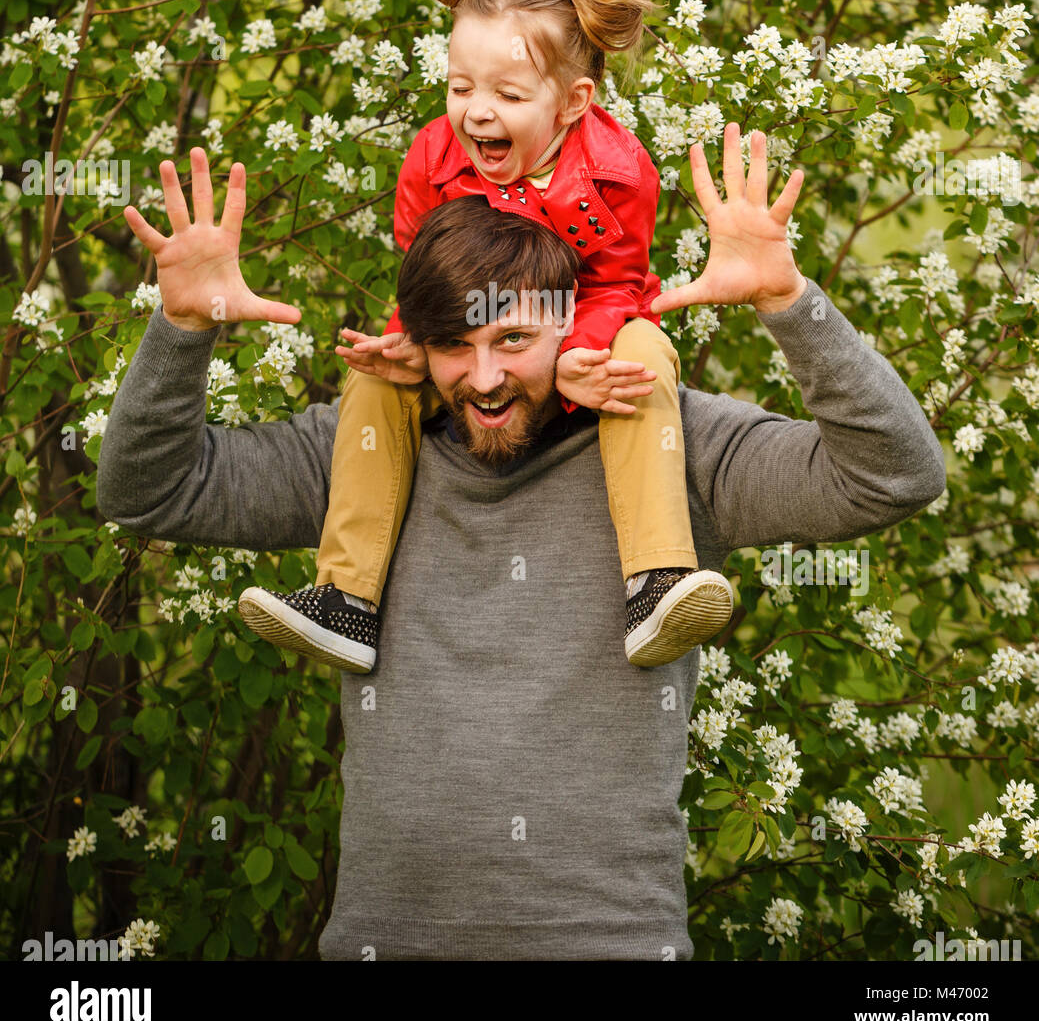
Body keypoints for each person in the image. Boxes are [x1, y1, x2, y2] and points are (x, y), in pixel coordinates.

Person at [101, 126, 946, 960]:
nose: (485, 378)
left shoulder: (667, 442)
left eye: (511, 340)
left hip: (607, 941)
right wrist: (182, 329)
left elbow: (893, 475)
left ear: (572, 324)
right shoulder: (362, 454)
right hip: (384, 941)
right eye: (452, 348)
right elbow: (149, 491)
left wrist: (786, 303)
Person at [238, 0, 734, 676]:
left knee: (644, 354)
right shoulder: (433, 157)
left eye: (506, 93)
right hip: (472, 365)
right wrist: (411, 337)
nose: (473, 111)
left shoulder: (617, 173)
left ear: (573, 101)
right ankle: (345, 598)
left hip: (574, 350)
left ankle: (655, 582)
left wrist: (575, 356)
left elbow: (614, 283)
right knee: (374, 379)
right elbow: (424, 269)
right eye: (458, 87)